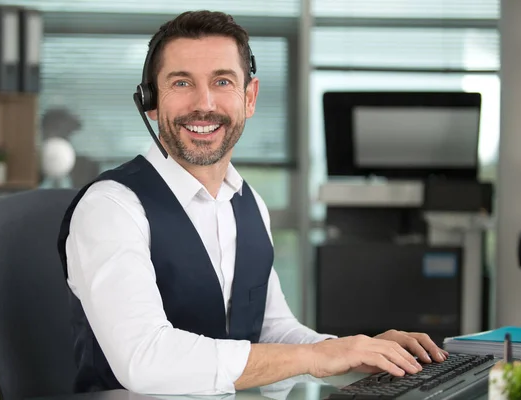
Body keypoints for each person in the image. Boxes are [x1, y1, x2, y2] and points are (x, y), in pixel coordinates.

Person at [56, 10, 449, 396]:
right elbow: (144, 359)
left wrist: (354, 353)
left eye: (222, 81)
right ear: (151, 101)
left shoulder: (248, 204)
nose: (204, 103)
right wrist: (313, 358)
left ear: (249, 97)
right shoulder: (111, 208)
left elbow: (272, 330)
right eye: (181, 83)